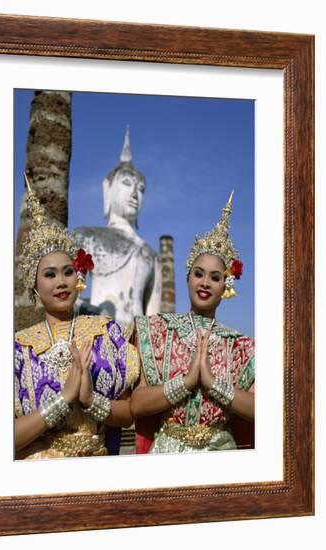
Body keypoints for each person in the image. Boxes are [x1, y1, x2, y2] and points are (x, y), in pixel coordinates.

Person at [14, 179, 139, 459]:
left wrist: (89, 400)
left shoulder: (106, 333)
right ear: (34, 287)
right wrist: (63, 401)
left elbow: (129, 412)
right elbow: (2, 439)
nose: (61, 282)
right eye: (49, 274)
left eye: (68, 271)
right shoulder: (18, 348)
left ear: (79, 276)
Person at [131, 192, 255, 453]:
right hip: (168, 453)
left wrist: (213, 384)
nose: (205, 283)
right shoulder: (156, 331)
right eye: (198, 274)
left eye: (215, 277)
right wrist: (186, 383)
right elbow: (137, 404)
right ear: (188, 277)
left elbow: (262, 410)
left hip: (221, 455)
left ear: (226, 286)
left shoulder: (242, 346)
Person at [73, 128, 162, 327]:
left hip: (135, 342)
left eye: (140, 189)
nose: (134, 194)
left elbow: (153, 318)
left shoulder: (150, 255)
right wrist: (89, 311)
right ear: (108, 188)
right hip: (95, 334)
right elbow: (64, 296)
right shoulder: (86, 238)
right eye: (127, 183)